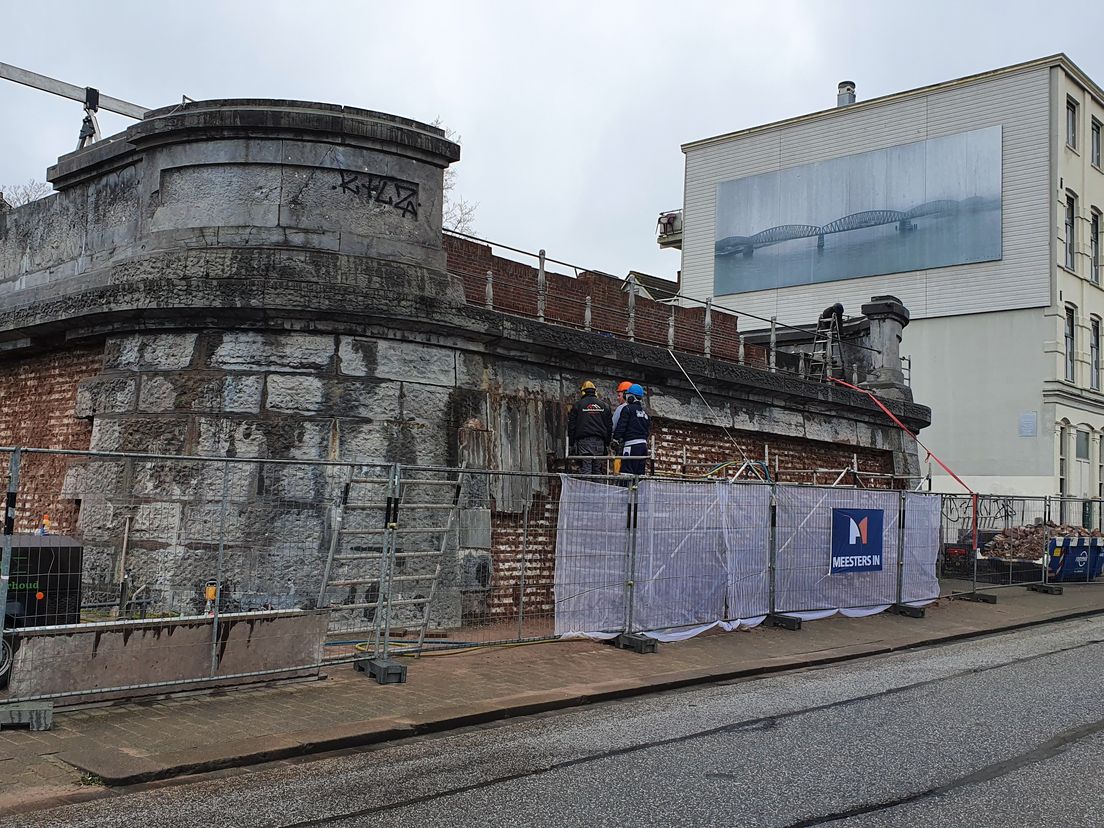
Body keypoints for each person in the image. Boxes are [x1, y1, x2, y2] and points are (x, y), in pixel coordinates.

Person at [568, 380, 612, 475]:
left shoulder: (577, 406)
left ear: (583, 392)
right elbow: (609, 427)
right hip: (600, 443)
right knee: (597, 470)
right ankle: (598, 489)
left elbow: (572, 426)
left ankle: (586, 489)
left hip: (584, 442)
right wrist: (607, 443)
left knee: (586, 469)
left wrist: (571, 443)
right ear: (595, 391)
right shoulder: (605, 406)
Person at [612, 384, 650, 476]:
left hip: (631, 446)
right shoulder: (644, 413)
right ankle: (638, 490)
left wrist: (615, 439)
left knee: (627, 473)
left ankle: (627, 491)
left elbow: (621, 426)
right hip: (643, 447)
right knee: (639, 475)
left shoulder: (627, 409)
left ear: (631, 397)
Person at [611, 381, 633, 474]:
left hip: (622, 443)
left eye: (619, 395)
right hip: (633, 445)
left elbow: (613, 426)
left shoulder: (621, 408)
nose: (617, 398)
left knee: (619, 468)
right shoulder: (637, 409)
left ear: (625, 395)